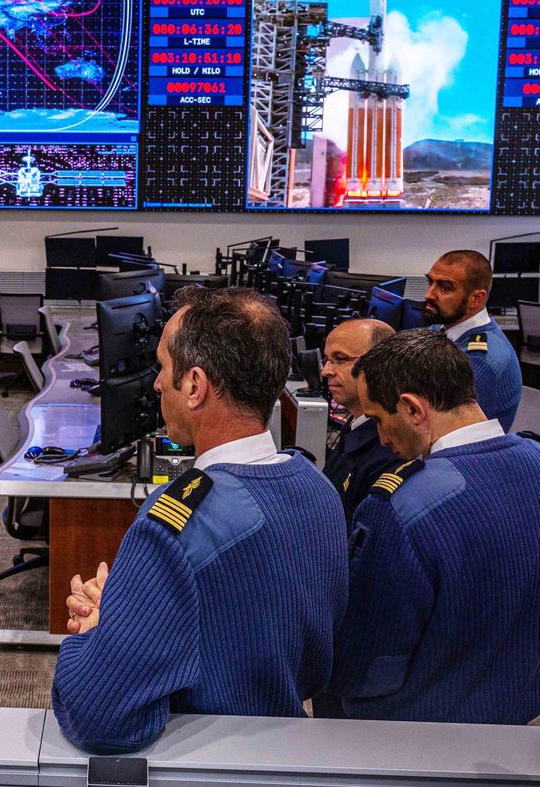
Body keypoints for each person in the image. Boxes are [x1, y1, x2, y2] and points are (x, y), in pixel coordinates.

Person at [51, 286, 348, 754]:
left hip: (200, 761)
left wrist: (99, 632)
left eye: (163, 368)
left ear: (194, 385)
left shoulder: (176, 524)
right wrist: (135, 608)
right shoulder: (318, 489)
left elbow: (99, 717)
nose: (154, 383)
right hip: (284, 749)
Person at [328, 329, 540, 723]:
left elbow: (370, 661)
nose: (380, 437)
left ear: (413, 409)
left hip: (414, 735)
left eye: (379, 419)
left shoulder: (399, 507)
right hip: (519, 721)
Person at [422, 249, 522, 431]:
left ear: (476, 299)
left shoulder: (481, 360)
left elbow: (444, 427)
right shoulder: (441, 329)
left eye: (444, 288)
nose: (429, 295)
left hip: (465, 455)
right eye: (430, 283)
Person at [320, 318, 401, 523]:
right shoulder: (357, 426)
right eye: (326, 359)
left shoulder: (389, 448)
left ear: (378, 364)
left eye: (340, 358)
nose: (326, 371)